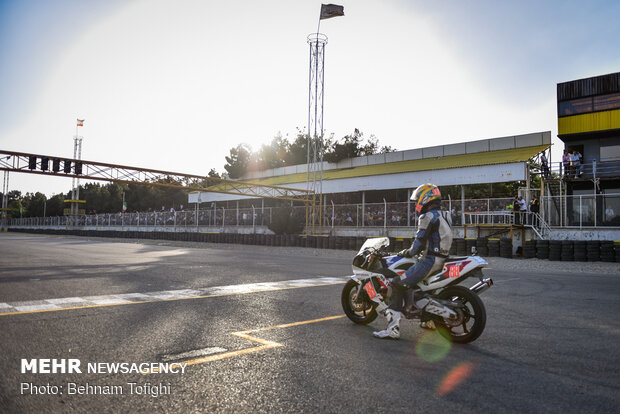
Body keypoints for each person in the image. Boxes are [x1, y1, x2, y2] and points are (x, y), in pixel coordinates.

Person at [372, 183, 453, 339]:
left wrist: (406, 252)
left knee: (397, 283)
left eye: (417, 200)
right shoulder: (446, 215)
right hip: (444, 258)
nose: (416, 204)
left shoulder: (427, 216)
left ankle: (393, 329)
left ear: (425, 198)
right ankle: (428, 319)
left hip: (429, 260)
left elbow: (419, 242)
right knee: (421, 288)